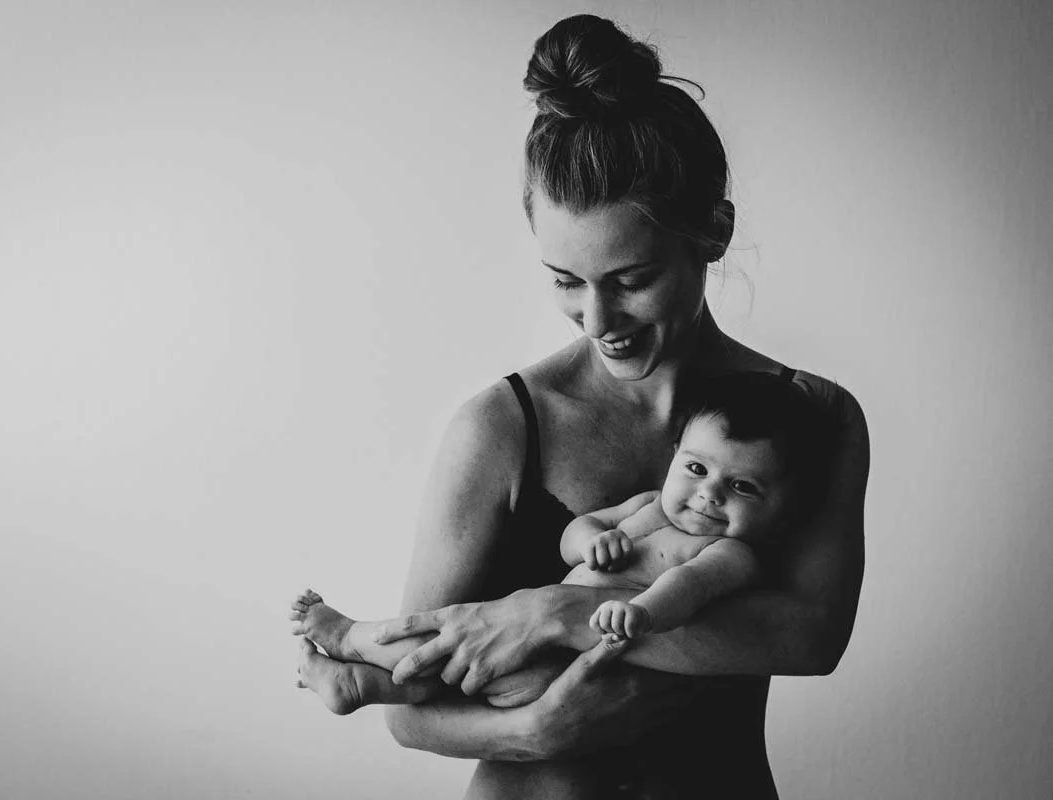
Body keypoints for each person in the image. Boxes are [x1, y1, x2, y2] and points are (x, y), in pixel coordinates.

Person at [294, 13, 868, 800]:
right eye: (566, 280)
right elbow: (412, 708)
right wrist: (533, 733)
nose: (600, 322)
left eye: (630, 279)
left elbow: (811, 636)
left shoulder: (811, 420)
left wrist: (558, 614)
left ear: (714, 233)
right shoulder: (501, 428)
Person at [290, 372, 836, 708]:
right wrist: (590, 541)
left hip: (560, 667)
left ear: (780, 510)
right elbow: (572, 535)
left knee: (442, 649)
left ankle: (353, 636)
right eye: (696, 468)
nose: (708, 495)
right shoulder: (647, 506)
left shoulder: (730, 554)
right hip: (525, 644)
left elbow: (690, 590)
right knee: (438, 662)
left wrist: (640, 614)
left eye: (741, 487)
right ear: (674, 458)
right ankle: (357, 686)